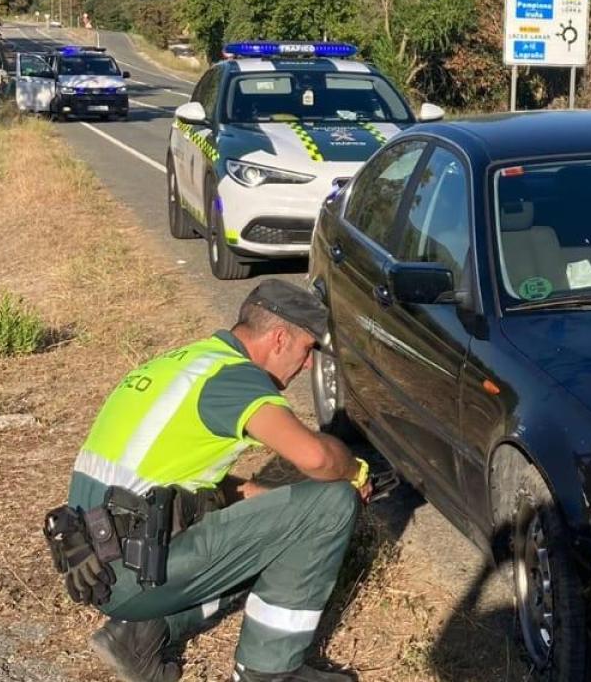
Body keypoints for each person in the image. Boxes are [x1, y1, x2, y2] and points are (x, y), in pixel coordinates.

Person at [45, 280, 373, 682]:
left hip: (98, 565)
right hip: (135, 570)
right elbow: (318, 459)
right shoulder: (234, 379)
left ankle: (140, 635)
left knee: (273, 525)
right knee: (334, 500)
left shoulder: (180, 364)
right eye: (307, 350)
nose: (307, 365)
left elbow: (173, 480)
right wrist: (355, 470)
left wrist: (263, 501)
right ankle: (271, 671)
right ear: (279, 338)